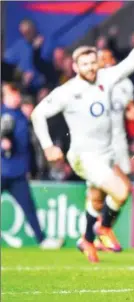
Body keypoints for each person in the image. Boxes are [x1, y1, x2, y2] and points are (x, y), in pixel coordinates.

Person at [31, 18, 134, 262]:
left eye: (93, 62)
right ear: (75, 65)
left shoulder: (106, 78)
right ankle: (103, 229)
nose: (90, 67)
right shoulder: (68, 91)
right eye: (85, 64)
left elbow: (132, 62)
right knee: (121, 192)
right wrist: (48, 146)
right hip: (84, 156)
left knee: (100, 196)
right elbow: (38, 113)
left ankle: (87, 240)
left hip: (106, 152)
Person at [1, 83, 63, 249]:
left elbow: (27, 145)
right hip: (2, 169)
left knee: (29, 208)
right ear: (5, 97)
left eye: (16, 94)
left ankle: (42, 240)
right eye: (12, 95)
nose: (16, 97)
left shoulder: (21, 115)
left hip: (18, 172)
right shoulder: (3, 114)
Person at [93, 48, 134, 252]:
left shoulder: (125, 84)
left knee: (113, 194)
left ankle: (95, 236)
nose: (105, 62)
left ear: (114, 60)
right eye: (100, 59)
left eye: (107, 58)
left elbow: (131, 111)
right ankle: (99, 231)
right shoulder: (92, 85)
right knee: (118, 189)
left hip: (120, 144)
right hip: (100, 145)